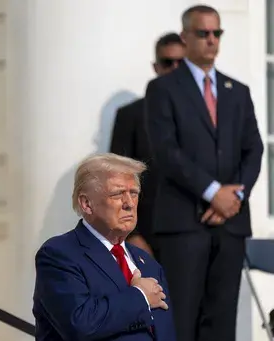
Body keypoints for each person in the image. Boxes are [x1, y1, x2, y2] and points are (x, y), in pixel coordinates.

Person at [145, 5, 264, 341]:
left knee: (222, 322)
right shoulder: (163, 89)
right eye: (203, 33)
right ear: (185, 37)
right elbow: (167, 152)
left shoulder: (236, 91)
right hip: (184, 224)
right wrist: (213, 192)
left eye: (217, 33)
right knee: (181, 321)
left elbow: (253, 149)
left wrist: (235, 196)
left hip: (231, 224)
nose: (211, 40)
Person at [33, 153, 177, 341]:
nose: (129, 204)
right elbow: (80, 325)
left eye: (133, 193)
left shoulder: (148, 263)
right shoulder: (59, 254)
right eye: (118, 194)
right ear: (86, 204)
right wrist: (140, 297)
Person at [110, 32, 185, 256]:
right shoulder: (130, 115)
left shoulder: (207, 114)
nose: (174, 68)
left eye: (181, 62)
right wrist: (131, 235)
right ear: (156, 67)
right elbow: (118, 180)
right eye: (167, 62)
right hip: (148, 235)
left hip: (195, 235)